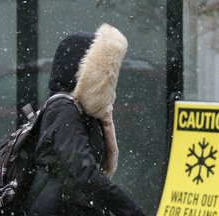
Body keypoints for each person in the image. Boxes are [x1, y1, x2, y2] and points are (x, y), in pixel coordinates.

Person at [26, 23, 146, 216]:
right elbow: (85, 172)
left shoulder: (83, 112)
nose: (109, 80)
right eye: (103, 73)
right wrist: (129, 210)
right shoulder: (63, 110)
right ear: (84, 72)